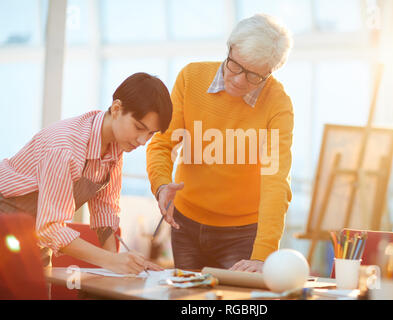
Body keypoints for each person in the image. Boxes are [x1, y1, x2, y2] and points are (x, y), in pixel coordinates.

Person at [147, 14, 294, 272]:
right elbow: (162, 144)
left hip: (242, 235)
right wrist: (161, 185)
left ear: (270, 72)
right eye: (235, 65)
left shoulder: (278, 105)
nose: (238, 80)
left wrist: (262, 256)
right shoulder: (190, 78)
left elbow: (275, 182)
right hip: (185, 225)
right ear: (229, 48)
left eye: (253, 76)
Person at [0, 72, 172, 274]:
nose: (143, 141)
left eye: (150, 134)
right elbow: (50, 228)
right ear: (116, 108)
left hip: (34, 236)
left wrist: (119, 264)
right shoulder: (65, 147)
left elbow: (105, 213)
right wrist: (110, 261)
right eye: (139, 127)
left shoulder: (116, 149)